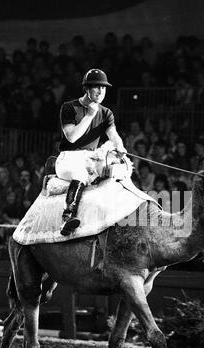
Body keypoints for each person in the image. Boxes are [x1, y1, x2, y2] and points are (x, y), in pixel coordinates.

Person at [56, 68, 127, 236]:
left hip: (90, 159)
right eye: (96, 87)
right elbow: (71, 137)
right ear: (86, 88)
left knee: (118, 172)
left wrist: (120, 146)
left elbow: (114, 136)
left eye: (103, 88)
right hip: (68, 158)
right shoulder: (69, 107)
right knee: (80, 174)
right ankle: (67, 217)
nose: (101, 91)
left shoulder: (106, 113)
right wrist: (89, 116)